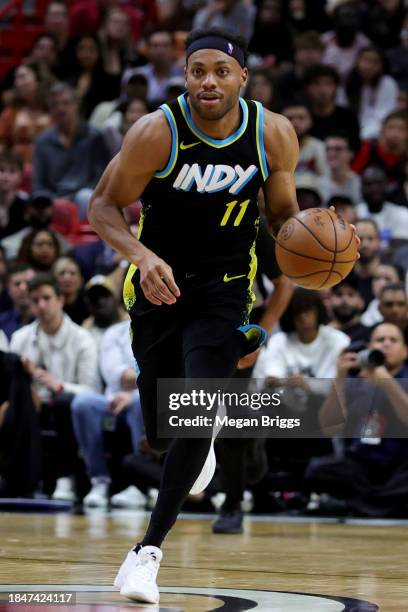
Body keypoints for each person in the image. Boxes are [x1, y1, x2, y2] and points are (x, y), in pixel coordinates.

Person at [88, 27, 301, 604]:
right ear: (185, 76)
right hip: (158, 286)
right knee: (161, 434)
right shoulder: (156, 131)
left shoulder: (273, 133)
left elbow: (283, 220)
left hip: (227, 288)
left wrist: (316, 240)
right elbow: (102, 206)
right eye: (197, 70)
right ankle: (194, 437)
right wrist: (141, 253)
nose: (209, 81)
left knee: (197, 407)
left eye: (221, 71)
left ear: (242, 78)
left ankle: (146, 554)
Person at [10, 273, 99, 502]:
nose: (41, 305)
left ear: (60, 299)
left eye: (46, 298)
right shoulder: (20, 338)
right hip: (33, 407)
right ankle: (19, 480)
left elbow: (92, 393)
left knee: (62, 402)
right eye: (35, 300)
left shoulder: (82, 339)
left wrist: (58, 385)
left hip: (68, 408)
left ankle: (65, 477)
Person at [308, 322, 408, 517]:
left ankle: (357, 504)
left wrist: (385, 380)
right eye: (380, 340)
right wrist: (339, 375)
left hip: (399, 465)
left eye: (393, 340)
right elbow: (329, 427)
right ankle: (382, 505)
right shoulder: (354, 381)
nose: (386, 344)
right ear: (369, 348)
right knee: (317, 470)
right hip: (360, 466)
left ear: (405, 351)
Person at [32, 83, 111, 220]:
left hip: (85, 197)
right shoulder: (42, 141)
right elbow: (39, 183)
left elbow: (101, 177)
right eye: (55, 105)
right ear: (50, 110)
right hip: (54, 200)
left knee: (85, 196)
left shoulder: (94, 136)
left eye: (66, 103)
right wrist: (54, 201)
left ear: (76, 105)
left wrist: (70, 198)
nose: (61, 109)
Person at [343, 46, 399, 140]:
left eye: (374, 62)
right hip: (349, 133)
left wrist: (362, 136)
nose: (368, 66)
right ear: (357, 62)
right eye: (365, 60)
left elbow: (382, 115)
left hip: (375, 135)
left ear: (381, 66)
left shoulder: (387, 83)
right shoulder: (347, 82)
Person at [356, 166, 408, 240]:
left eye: (378, 183)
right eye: (369, 184)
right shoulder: (355, 214)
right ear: (361, 188)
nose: (374, 189)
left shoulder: (403, 214)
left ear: (387, 185)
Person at [282, 102, 328, 178]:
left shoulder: (320, 147)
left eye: (301, 118)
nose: (295, 123)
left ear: (311, 121)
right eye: (290, 118)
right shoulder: (273, 149)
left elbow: (326, 179)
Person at [317, 134, 362, 205]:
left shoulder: (360, 183)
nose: (331, 153)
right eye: (328, 149)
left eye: (338, 149)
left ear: (351, 153)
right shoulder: (317, 185)